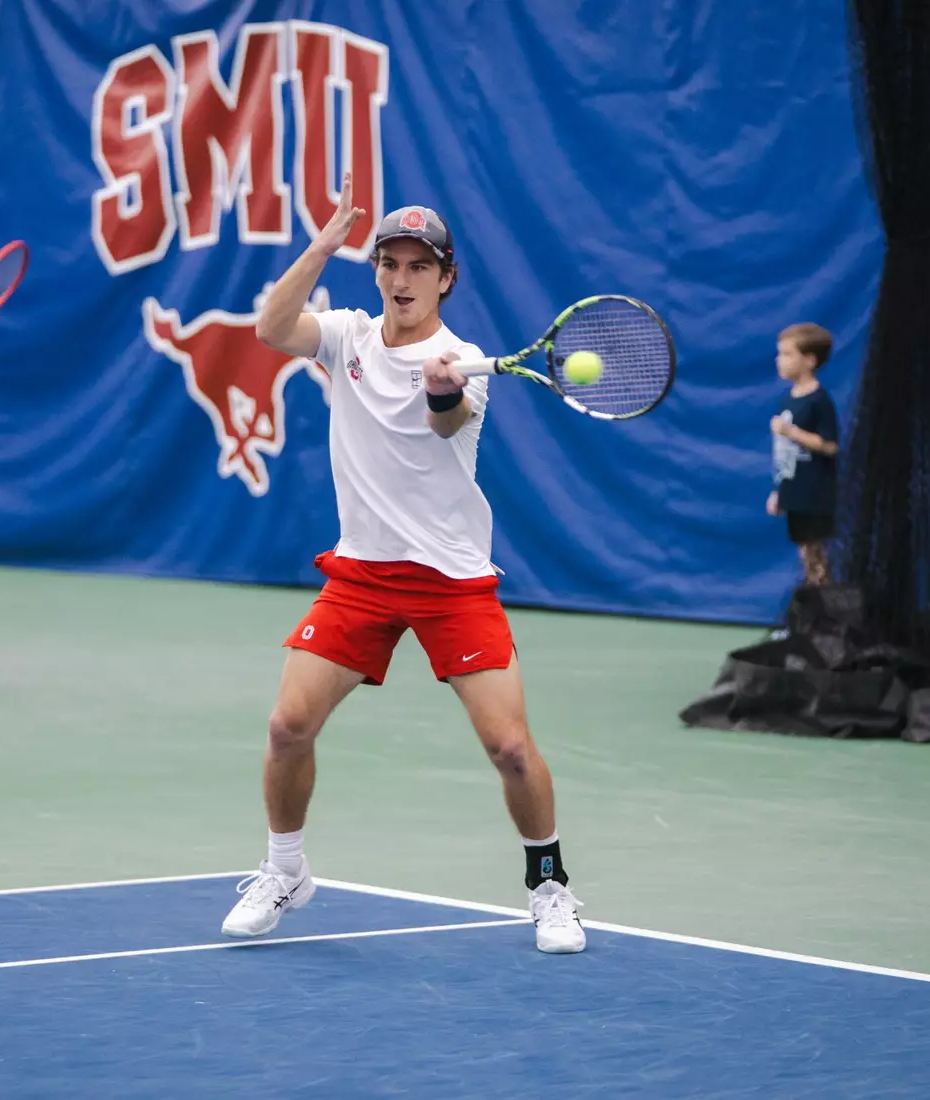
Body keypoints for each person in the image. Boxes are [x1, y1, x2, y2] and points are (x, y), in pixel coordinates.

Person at [223, 173, 585, 954]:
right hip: (363, 574)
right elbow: (272, 328)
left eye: (420, 266)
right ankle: (285, 870)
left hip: (451, 581)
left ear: (446, 278)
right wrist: (321, 248)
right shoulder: (347, 336)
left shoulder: (463, 360)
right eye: (390, 263)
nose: (401, 278)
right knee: (288, 726)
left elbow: (445, 423)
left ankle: (551, 887)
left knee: (509, 747)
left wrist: (444, 392)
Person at [767, 322, 840, 585]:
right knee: (805, 553)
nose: (779, 360)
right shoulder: (787, 400)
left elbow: (830, 446)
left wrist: (792, 432)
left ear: (809, 360)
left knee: (816, 555)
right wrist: (780, 491)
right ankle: (815, 604)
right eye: (780, 353)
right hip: (795, 492)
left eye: (787, 354)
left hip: (815, 494)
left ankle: (824, 605)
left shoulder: (819, 400)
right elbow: (785, 455)